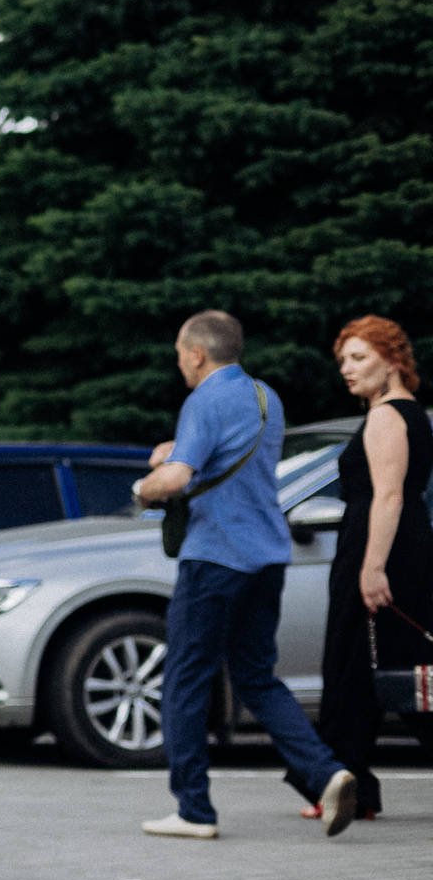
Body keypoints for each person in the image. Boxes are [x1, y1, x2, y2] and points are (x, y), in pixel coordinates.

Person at [132, 310, 355, 839]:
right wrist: (175, 453)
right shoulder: (264, 397)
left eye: (180, 355)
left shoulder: (203, 399)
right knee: (257, 676)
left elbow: (178, 478)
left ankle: (194, 811)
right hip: (267, 556)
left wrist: (145, 487)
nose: (180, 364)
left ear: (196, 354)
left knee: (186, 679)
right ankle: (328, 773)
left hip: (215, 556)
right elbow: (224, 458)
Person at [317, 316, 432, 823]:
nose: (347, 368)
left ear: (394, 361)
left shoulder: (387, 417)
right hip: (393, 549)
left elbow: (388, 496)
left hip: (381, 552)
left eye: (359, 357)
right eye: (343, 360)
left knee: (387, 669)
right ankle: (351, 785)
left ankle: (346, 783)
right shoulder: (409, 413)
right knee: (368, 671)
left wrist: (372, 569)